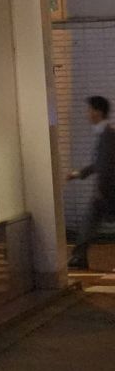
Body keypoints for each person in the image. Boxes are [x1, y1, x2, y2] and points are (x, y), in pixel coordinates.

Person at [66, 95, 115, 269]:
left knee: (89, 220)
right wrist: (79, 173)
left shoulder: (108, 135)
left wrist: (102, 189)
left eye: (89, 110)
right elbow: (100, 163)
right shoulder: (105, 133)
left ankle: (79, 257)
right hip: (106, 190)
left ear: (97, 112)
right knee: (89, 220)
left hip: (107, 190)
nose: (87, 114)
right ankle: (79, 256)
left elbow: (106, 166)